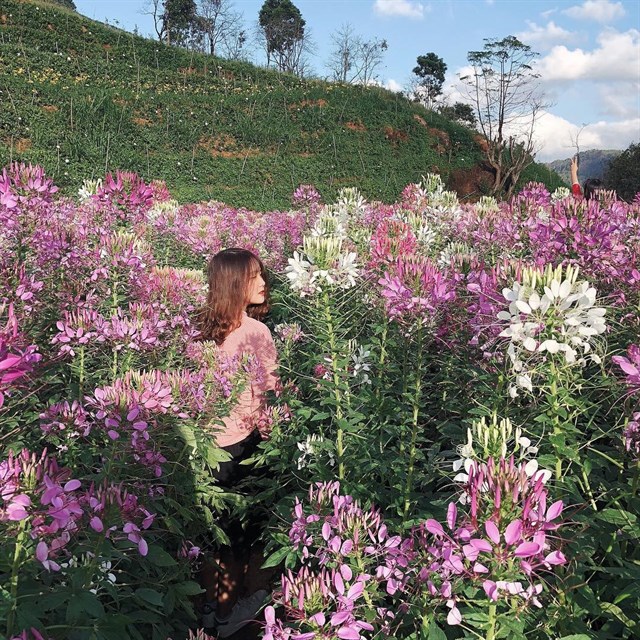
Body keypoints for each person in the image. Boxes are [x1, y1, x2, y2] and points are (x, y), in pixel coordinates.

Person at [196, 247, 279, 637]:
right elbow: (267, 396)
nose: (264, 282)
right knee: (236, 537)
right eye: (256, 276)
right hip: (240, 446)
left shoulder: (196, 327)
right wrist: (279, 443)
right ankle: (229, 617)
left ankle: (209, 610)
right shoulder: (256, 332)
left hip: (201, 447)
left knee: (209, 533)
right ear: (236, 284)